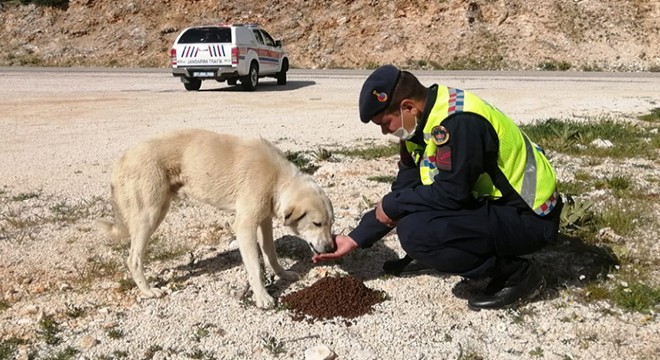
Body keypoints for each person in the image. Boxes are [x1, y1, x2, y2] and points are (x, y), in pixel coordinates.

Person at [312, 65, 563, 310]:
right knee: (412, 208)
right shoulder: (418, 125)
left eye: (384, 123)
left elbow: (451, 194)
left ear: (407, 107)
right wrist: (356, 238)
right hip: (495, 206)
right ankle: (433, 255)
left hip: (530, 217)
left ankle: (518, 275)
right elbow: (406, 188)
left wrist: (394, 206)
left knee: (416, 232)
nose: (383, 132)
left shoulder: (457, 123)